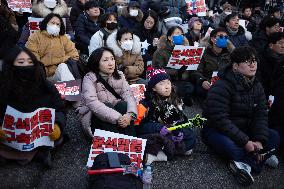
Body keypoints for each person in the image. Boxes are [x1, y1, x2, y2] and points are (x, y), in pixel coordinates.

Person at [202, 46, 280, 186]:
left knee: (274, 135)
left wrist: (259, 140)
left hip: (244, 128)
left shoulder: (257, 85)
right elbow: (220, 120)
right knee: (229, 146)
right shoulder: (222, 85)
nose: (253, 64)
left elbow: (261, 114)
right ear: (236, 66)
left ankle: (245, 163)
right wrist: (245, 142)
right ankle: (256, 160)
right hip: (218, 130)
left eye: (255, 60)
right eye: (247, 61)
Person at [0, 46, 66, 168]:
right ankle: (35, 154)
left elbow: (60, 109)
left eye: (30, 62)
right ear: (10, 65)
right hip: (12, 136)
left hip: (39, 136)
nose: (26, 65)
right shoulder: (3, 86)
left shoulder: (46, 86)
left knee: (57, 138)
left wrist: (57, 125)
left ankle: (30, 154)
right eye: (21, 62)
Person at [135, 68, 196, 165]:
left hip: (171, 131)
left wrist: (179, 132)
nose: (167, 86)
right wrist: (159, 127)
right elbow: (139, 127)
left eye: (168, 83)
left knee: (190, 136)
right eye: (161, 84)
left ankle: (162, 154)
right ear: (153, 88)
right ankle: (157, 155)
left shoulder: (175, 99)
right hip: (156, 132)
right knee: (151, 140)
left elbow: (181, 120)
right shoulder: (146, 104)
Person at [77, 47, 137, 138]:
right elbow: (92, 103)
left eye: (112, 59)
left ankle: (131, 142)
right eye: (105, 60)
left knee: (124, 106)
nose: (111, 63)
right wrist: (118, 117)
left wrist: (130, 114)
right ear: (96, 63)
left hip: (115, 114)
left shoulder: (119, 75)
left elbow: (128, 95)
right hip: (93, 116)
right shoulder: (89, 78)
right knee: (106, 105)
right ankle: (116, 144)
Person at [26, 13, 79, 81]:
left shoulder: (63, 38)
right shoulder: (35, 37)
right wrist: (59, 60)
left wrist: (59, 61)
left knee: (63, 67)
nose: (55, 26)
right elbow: (33, 59)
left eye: (58, 24)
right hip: (41, 75)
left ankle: (70, 91)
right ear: (46, 23)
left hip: (57, 73)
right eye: (52, 23)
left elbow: (74, 55)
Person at [152, 26, 194, 106]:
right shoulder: (161, 51)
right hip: (166, 79)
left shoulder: (184, 51)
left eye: (182, 34)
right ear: (170, 37)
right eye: (177, 34)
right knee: (173, 88)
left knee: (190, 87)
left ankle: (180, 98)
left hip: (180, 79)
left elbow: (187, 71)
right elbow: (158, 70)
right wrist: (175, 71)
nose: (180, 36)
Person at [193, 27, 234, 98]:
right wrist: (202, 81)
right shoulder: (203, 54)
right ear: (212, 39)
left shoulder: (230, 55)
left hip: (225, 84)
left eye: (226, 37)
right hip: (209, 83)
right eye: (221, 36)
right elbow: (196, 71)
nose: (223, 39)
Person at [258, 32, 284, 98]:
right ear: (271, 45)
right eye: (280, 43)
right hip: (265, 96)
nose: (283, 46)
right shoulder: (260, 60)